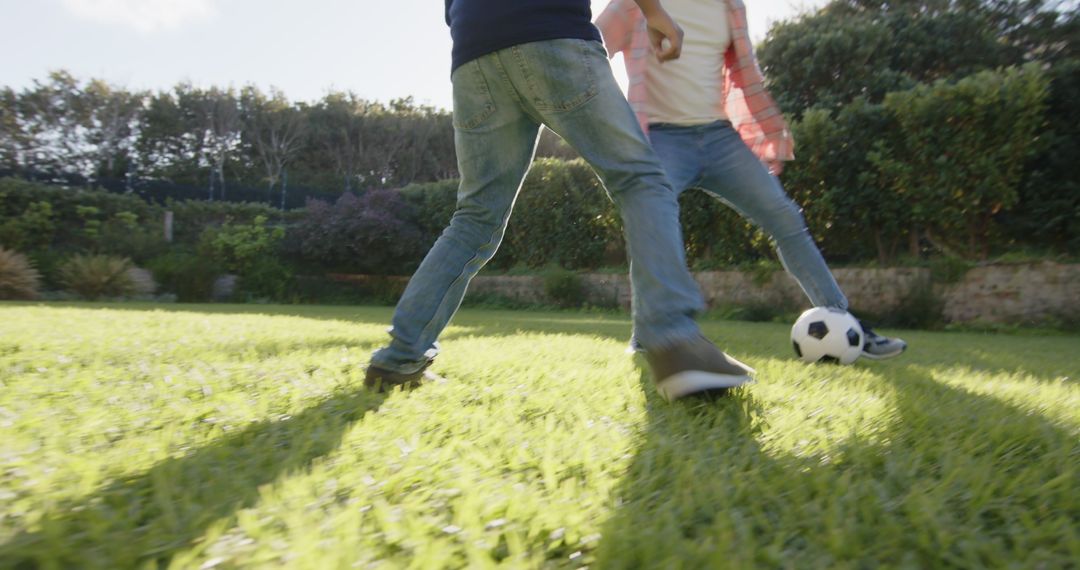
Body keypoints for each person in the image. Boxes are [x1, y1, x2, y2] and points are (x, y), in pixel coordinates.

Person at [364, 0, 756, 401]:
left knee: (475, 218)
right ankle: (675, 340)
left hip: (473, 51)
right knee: (641, 180)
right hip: (551, 30)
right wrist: (655, 12)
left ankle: (399, 357)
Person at [596, 0, 907, 359]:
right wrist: (617, 122)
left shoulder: (730, 7)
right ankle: (650, 335)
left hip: (720, 138)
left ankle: (846, 323)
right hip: (662, 139)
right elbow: (586, 52)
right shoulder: (635, 5)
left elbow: (743, 70)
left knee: (785, 217)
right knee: (651, 221)